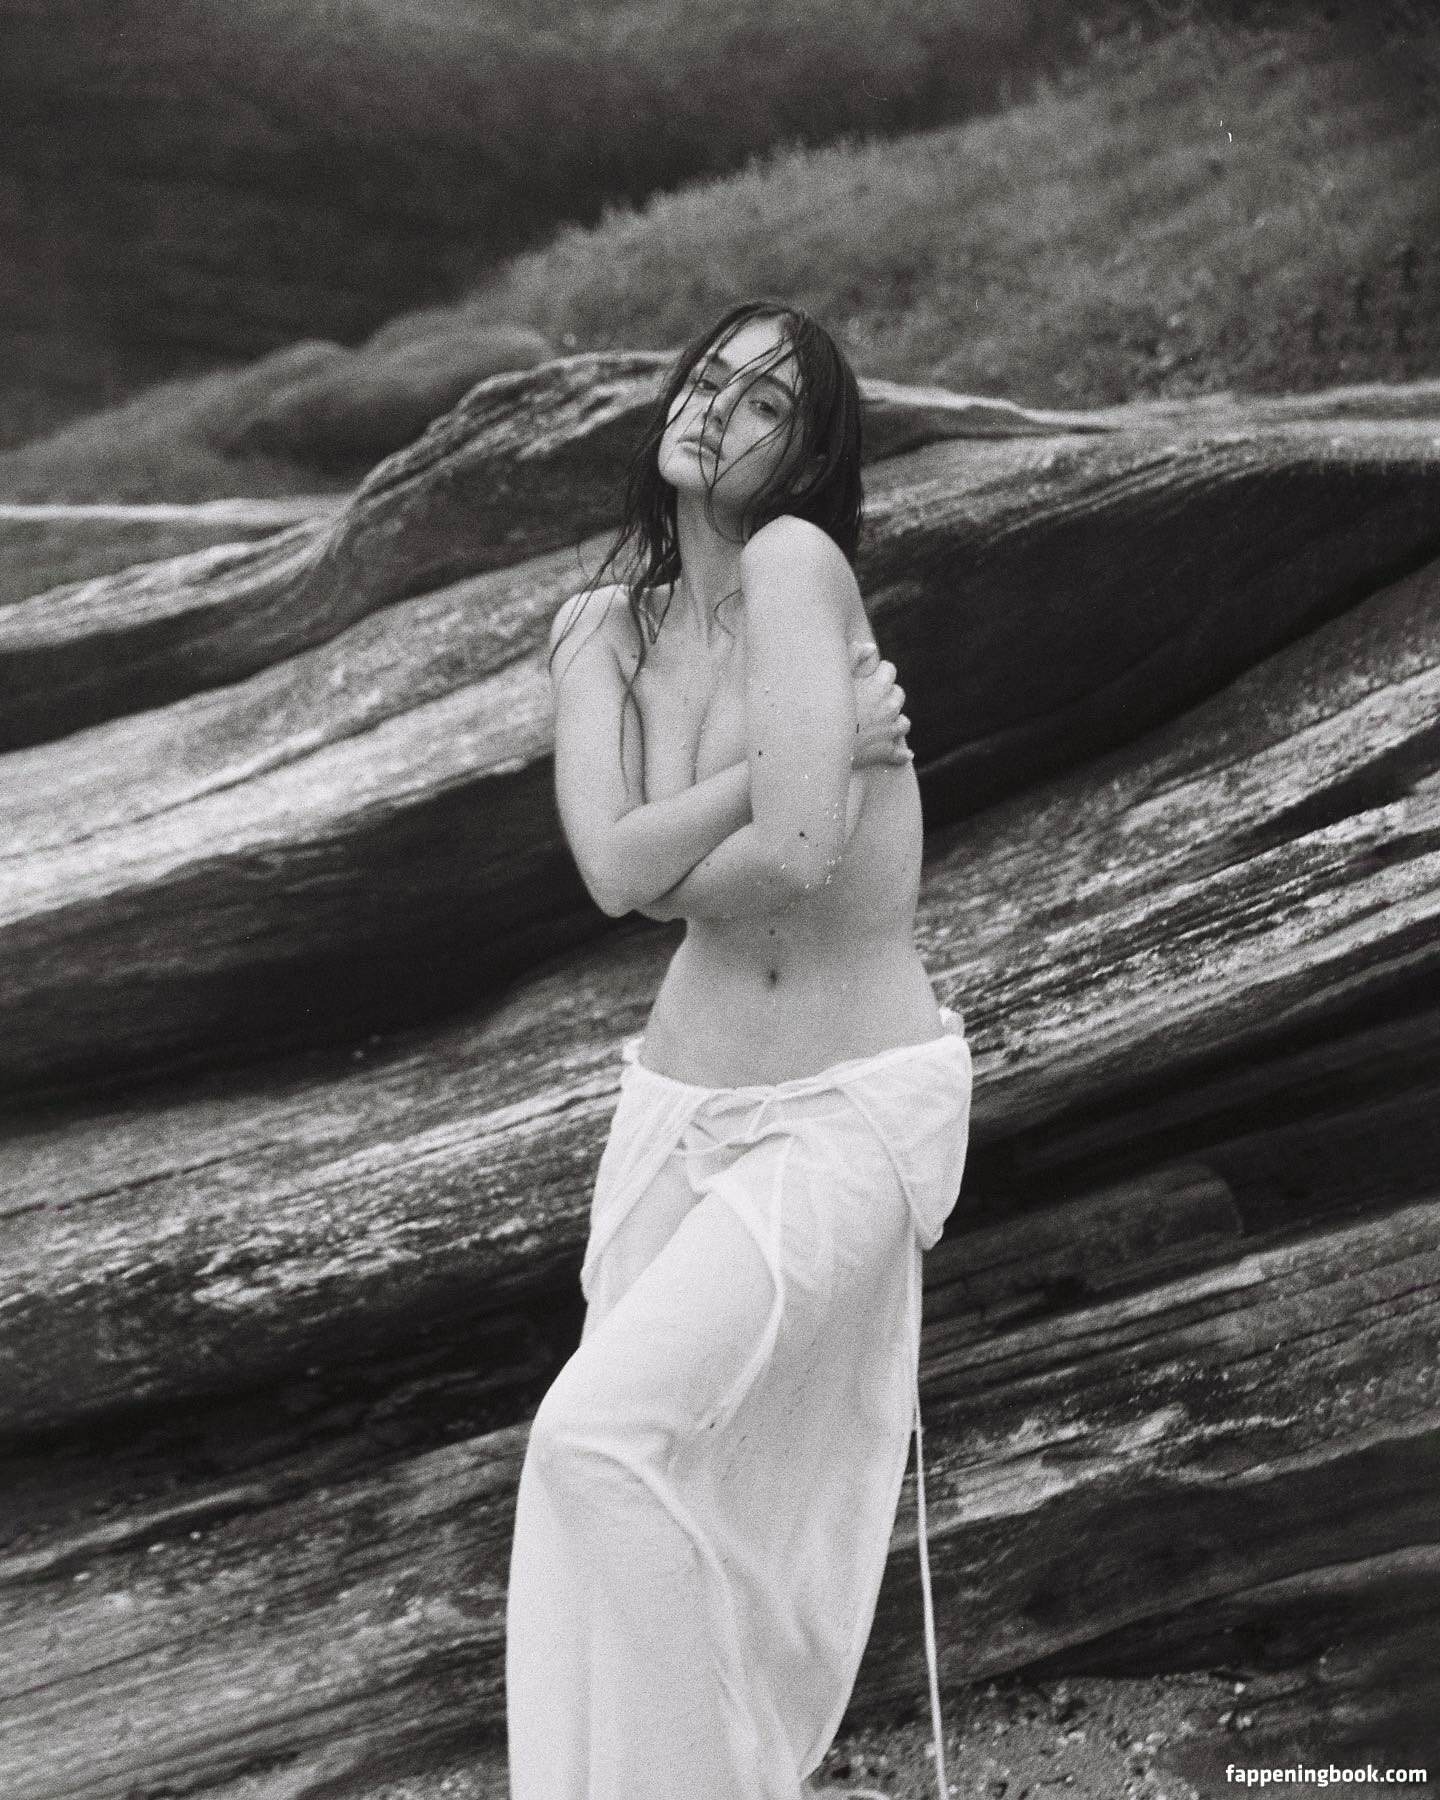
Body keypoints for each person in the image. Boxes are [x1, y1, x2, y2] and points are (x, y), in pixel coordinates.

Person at [504, 300, 973, 1800]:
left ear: (809, 454)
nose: (717, 407)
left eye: (765, 401)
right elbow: (611, 875)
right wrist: (779, 769)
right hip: (677, 1106)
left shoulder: (795, 564)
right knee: (607, 1484)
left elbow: (801, 847)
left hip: (841, 1107)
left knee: (596, 1439)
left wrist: (715, 825)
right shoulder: (599, 627)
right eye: (709, 377)